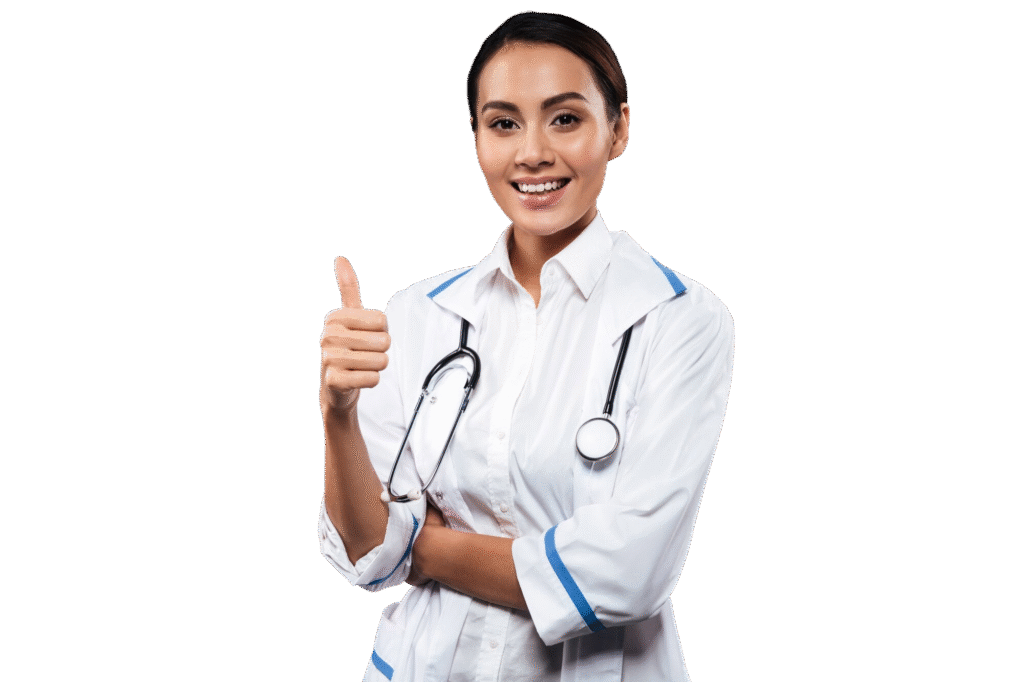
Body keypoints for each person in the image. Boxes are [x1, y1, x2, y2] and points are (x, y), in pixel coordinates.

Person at [318, 11, 734, 682]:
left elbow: (629, 573)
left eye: (565, 119)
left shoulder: (678, 319)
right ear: (476, 138)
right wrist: (337, 411)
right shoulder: (421, 315)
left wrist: (420, 546)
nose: (532, 152)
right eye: (503, 123)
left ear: (620, 128)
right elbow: (367, 551)